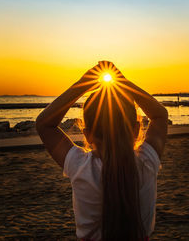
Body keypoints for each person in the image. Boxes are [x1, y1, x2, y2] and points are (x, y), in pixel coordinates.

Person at [36, 61, 168, 240]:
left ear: (88, 135)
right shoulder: (147, 163)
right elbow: (160, 115)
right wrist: (124, 82)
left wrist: (82, 84)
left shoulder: (80, 167)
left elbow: (44, 124)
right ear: (136, 130)